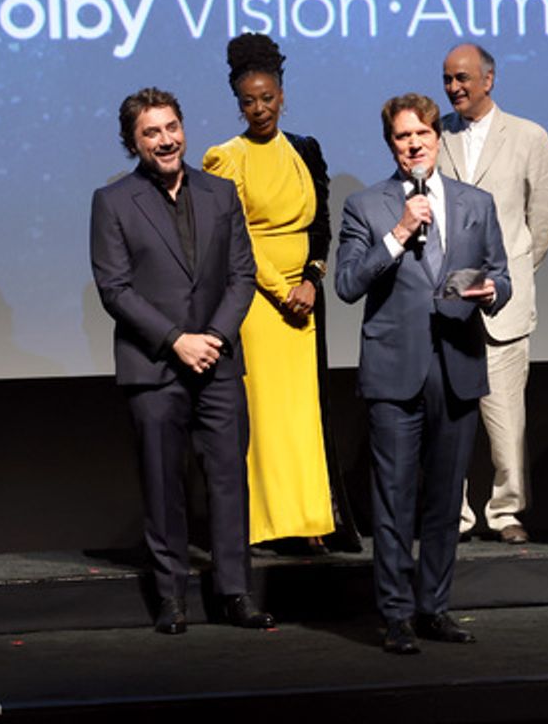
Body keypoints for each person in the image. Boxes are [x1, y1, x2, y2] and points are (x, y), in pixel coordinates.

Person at [90, 87, 274, 634]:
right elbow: (115, 289)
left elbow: (242, 274)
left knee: (227, 481)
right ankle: (172, 598)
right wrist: (177, 340)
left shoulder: (221, 192)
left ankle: (234, 593)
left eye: (172, 127)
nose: (165, 140)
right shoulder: (114, 201)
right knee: (164, 485)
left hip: (217, 361)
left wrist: (212, 336)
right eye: (152, 132)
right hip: (154, 366)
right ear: (133, 142)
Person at [335, 93, 510, 654]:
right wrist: (398, 233)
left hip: (456, 366)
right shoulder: (367, 206)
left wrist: (491, 293)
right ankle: (395, 614)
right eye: (402, 137)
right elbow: (346, 284)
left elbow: (501, 277)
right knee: (392, 498)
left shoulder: (475, 203)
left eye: (423, 135)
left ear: (439, 138)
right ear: (391, 144)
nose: (414, 145)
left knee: (443, 498)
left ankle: (435, 606)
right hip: (394, 370)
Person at [203, 32, 359, 552]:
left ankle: (310, 520)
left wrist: (312, 280)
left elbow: (322, 224)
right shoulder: (225, 158)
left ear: (283, 95)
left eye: (267, 97)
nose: (260, 108)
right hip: (259, 305)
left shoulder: (306, 150)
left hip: (304, 302)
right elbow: (235, 237)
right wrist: (279, 289)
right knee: (267, 415)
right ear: (237, 103)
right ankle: (269, 523)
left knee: (304, 413)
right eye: (249, 100)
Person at [436, 43, 548, 545]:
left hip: (502, 301)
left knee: (506, 414)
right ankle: (458, 514)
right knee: (450, 412)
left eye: (463, 78)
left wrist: (508, 277)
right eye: (447, 79)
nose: (454, 87)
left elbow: (543, 219)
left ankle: (506, 510)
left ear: (489, 79)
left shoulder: (529, 136)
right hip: (446, 302)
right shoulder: (437, 133)